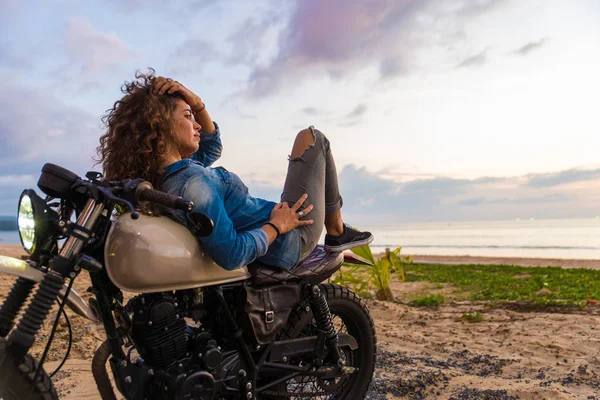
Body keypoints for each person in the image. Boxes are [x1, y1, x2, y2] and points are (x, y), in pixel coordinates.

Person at [97, 70, 373, 271]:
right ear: (160, 127)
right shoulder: (191, 182)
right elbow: (231, 253)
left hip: (281, 229)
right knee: (313, 138)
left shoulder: (169, 179)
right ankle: (336, 231)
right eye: (187, 116)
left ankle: (334, 232)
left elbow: (212, 146)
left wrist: (195, 103)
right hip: (292, 234)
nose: (196, 125)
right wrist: (278, 225)